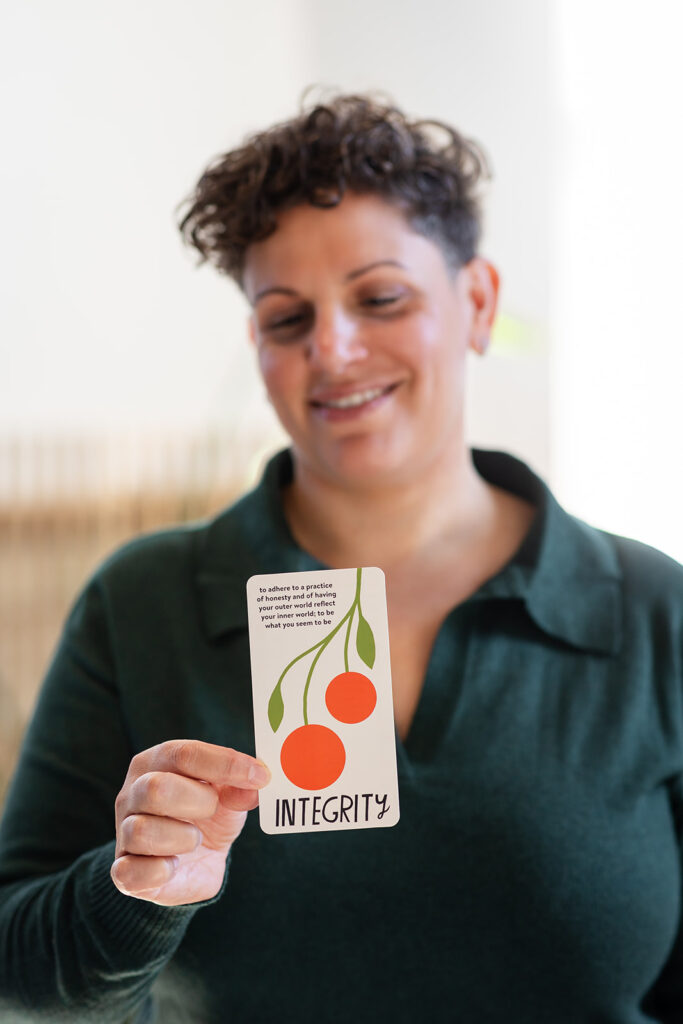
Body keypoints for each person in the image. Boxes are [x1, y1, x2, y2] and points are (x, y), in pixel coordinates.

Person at [1, 92, 682, 1024]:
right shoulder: (144, 603)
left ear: (476, 302)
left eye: (381, 298)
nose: (334, 349)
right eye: (287, 320)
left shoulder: (654, 612)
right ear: (258, 343)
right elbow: (18, 970)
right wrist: (130, 893)